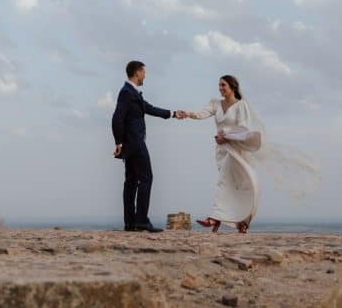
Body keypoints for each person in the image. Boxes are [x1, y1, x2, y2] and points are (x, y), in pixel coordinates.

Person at [111, 60, 187, 232]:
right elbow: (117, 118)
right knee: (146, 178)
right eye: (144, 72)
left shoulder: (132, 92)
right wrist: (119, 142)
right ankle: (142, 220)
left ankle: (130, 222)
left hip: (130, 143)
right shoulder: (126, 92)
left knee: (130, 181)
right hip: (135, 143)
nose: (145, 75)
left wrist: (173, 114)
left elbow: (149, 108)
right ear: (137, 73)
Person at [184, 75, 263, 233]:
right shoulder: (215, 103)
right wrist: (187, 114)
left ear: (232, 87)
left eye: (223, 85)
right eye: (219, 85)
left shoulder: (241, 106)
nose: (220, 88)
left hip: (236, 150)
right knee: (233, 185)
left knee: (224, 182)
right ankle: (241, 222)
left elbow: (244, 129)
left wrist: (225, 135)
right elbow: (201, 114)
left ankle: (214, 217)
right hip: (221, 151)